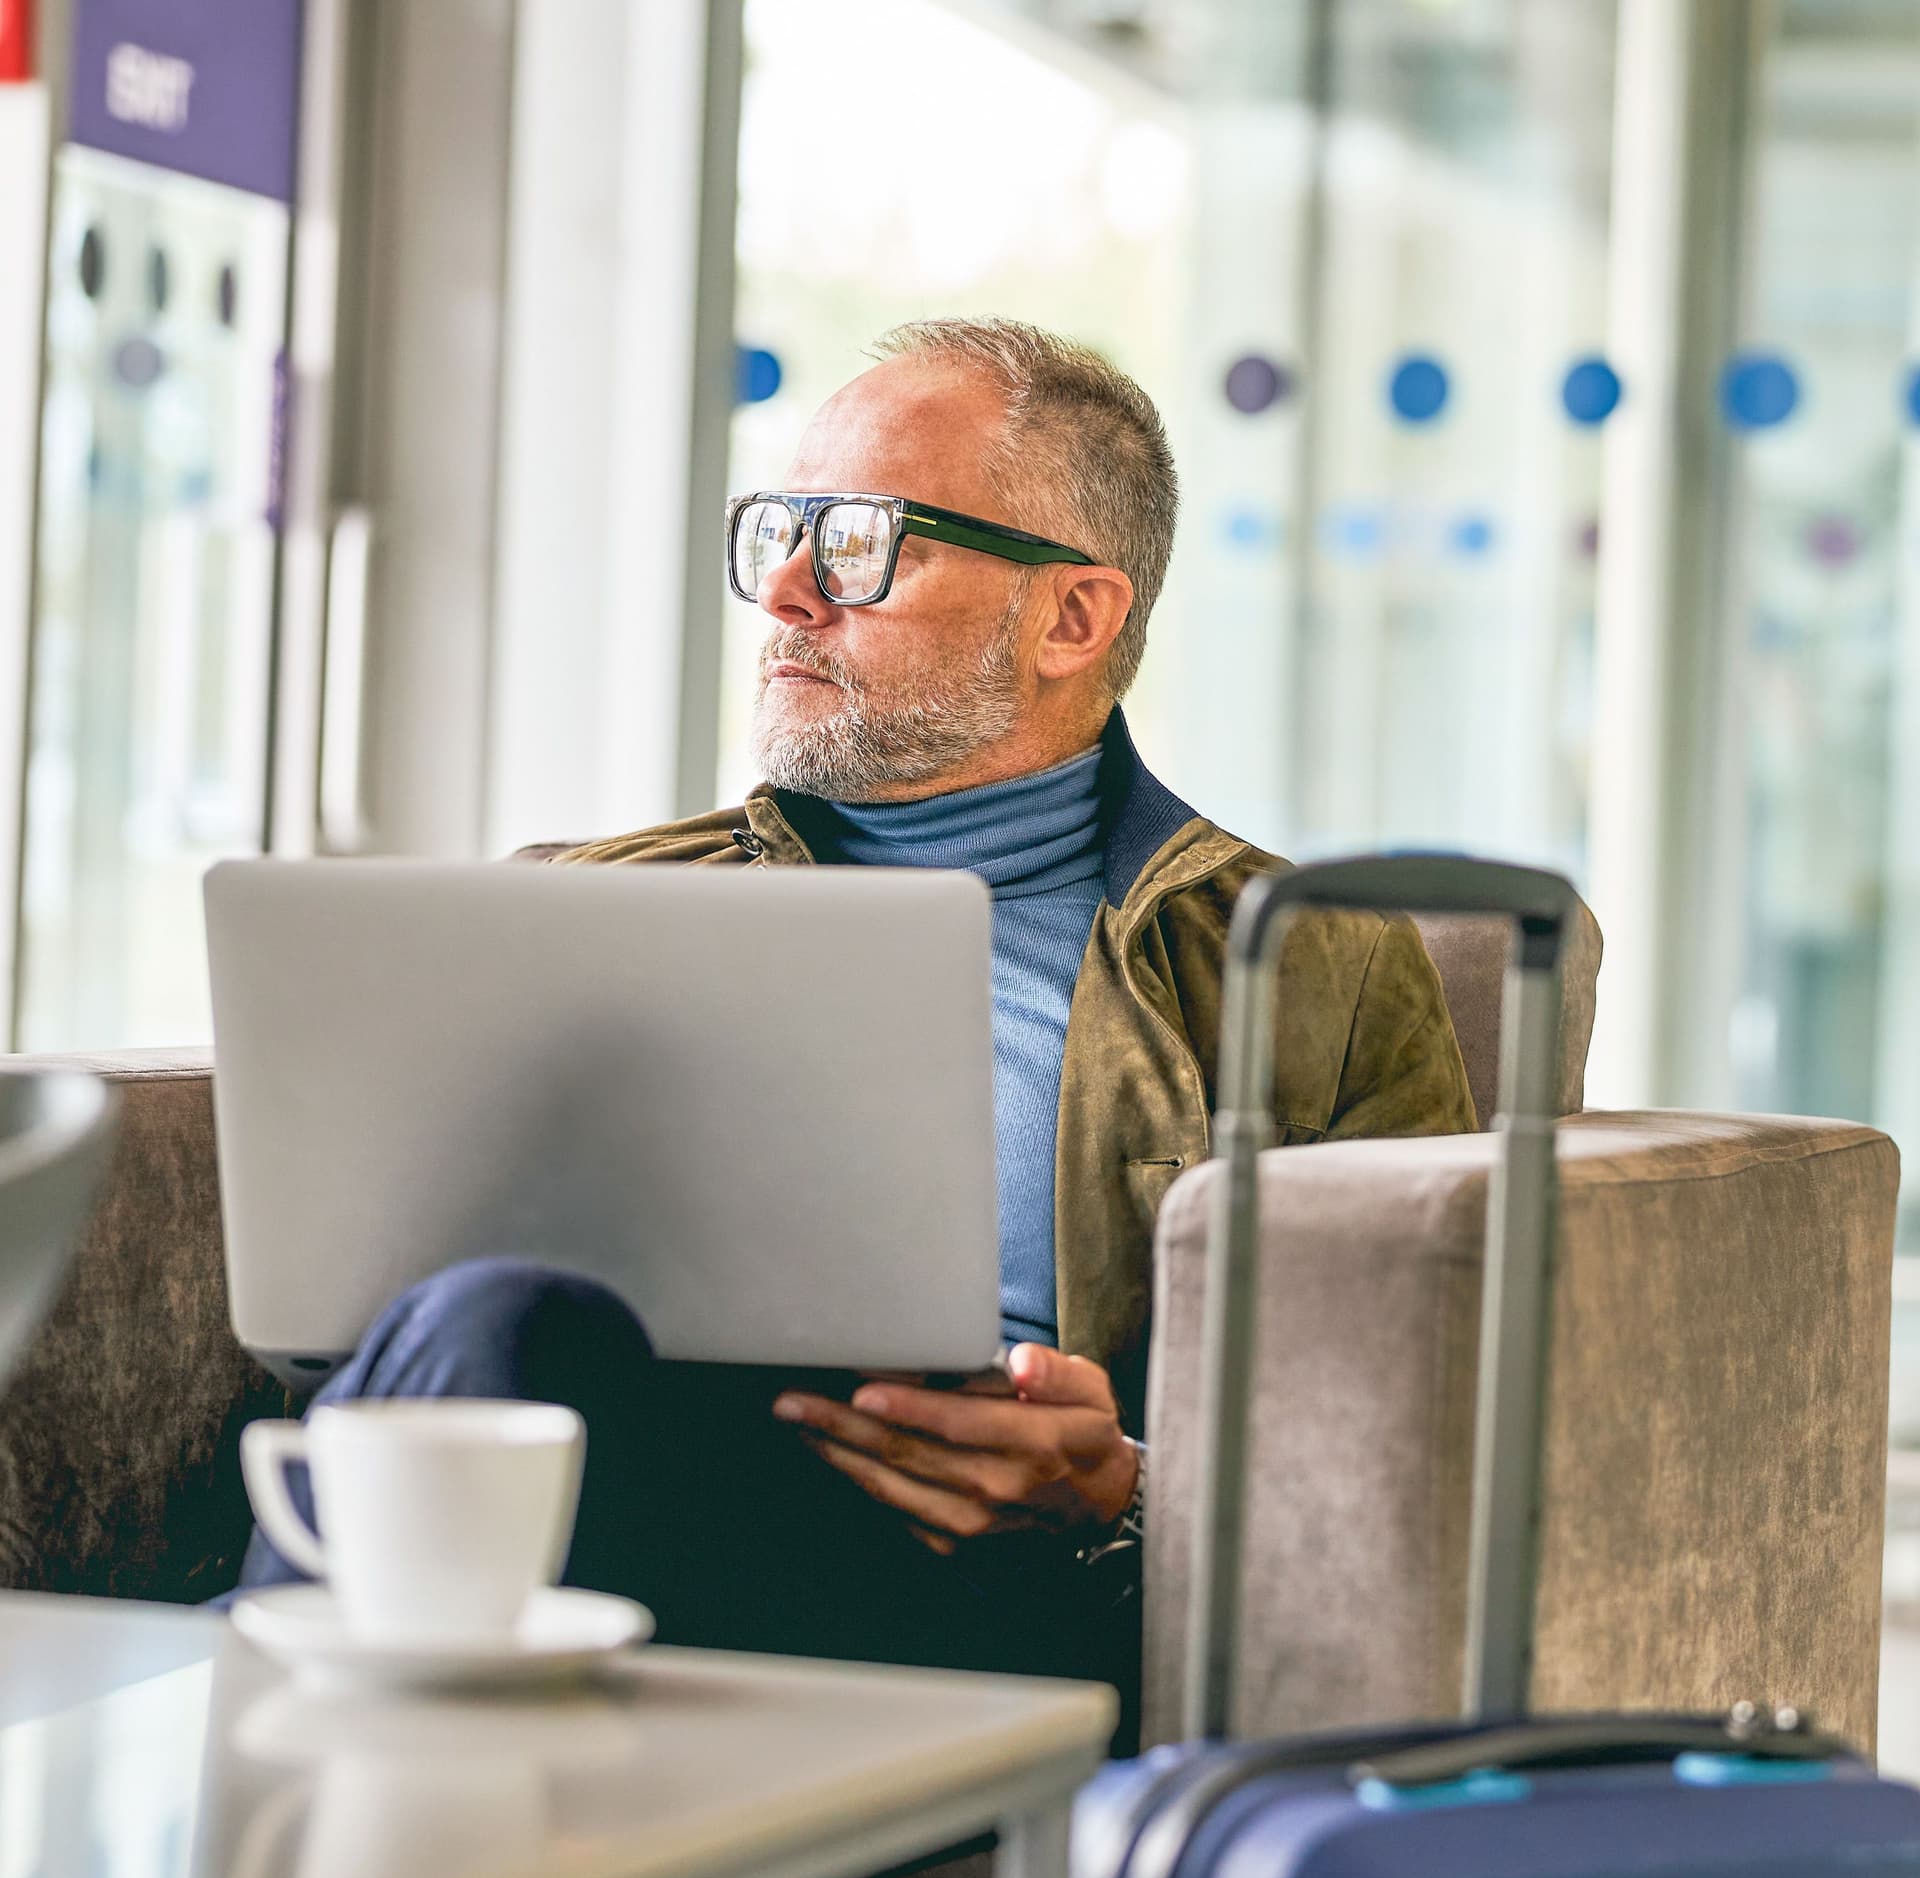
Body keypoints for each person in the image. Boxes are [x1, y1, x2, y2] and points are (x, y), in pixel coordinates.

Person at [235, 318, 1475, 1736]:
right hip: (605, 1506)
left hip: (982, 1586)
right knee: (503, 1324)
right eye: (780, 530)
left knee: (494, 1347)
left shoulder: (1308, 962)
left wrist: (1124, 1482)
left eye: (862, 541)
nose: (784, 590)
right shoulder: (593, 905)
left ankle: (240, 1760)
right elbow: (352, 1340)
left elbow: (1419, 1431)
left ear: (1073, 617)